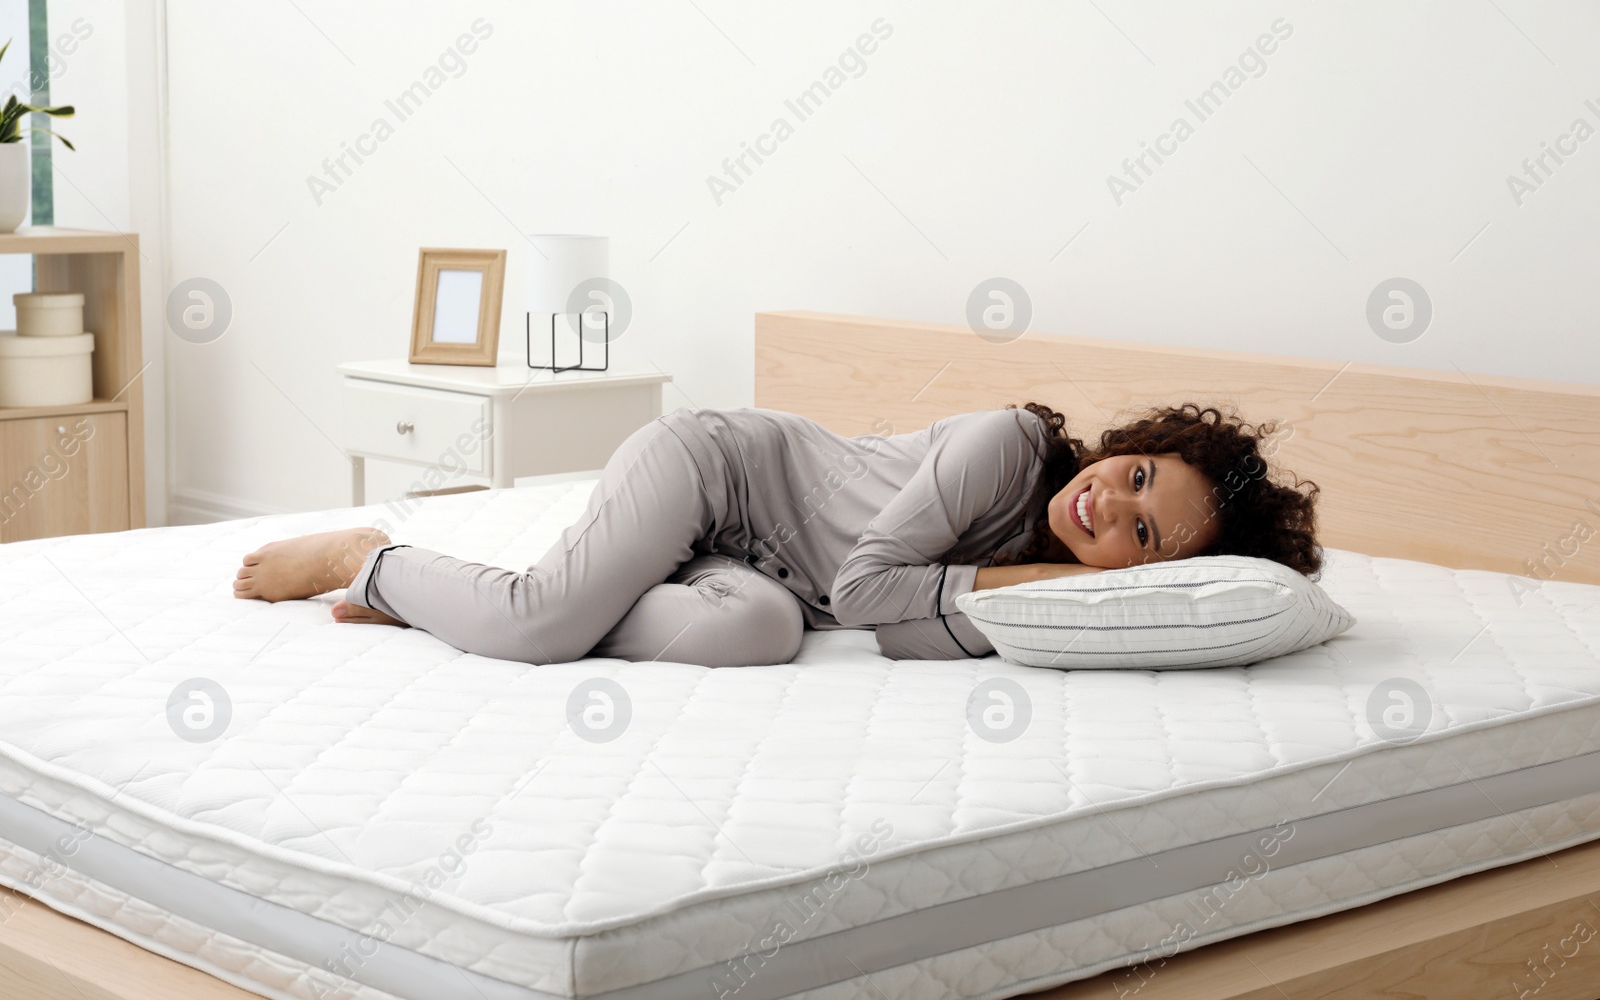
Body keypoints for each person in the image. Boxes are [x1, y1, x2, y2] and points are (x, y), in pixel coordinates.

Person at [232, 401, 1322, 665]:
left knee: (753, 633)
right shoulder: (1002, 445)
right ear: (1127, 439)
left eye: (1135, 532)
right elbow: (867, 593)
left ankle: (522, 587)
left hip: (762, 575)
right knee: (542, 627)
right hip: (718, 472)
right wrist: (1022, 577)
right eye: (1132, 473)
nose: (1104, 503)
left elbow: (893, 631)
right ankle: (370, 557)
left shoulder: (1046, 593)